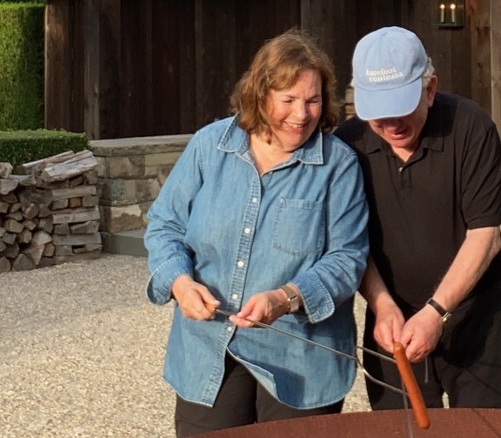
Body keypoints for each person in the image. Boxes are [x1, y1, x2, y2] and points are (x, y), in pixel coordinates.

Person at [144, 29, 369, 437]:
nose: (302, 114)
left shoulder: (339, 166)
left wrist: (285, 298)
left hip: (300, 363)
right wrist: (179, 282)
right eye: (288, 100)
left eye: (313, 100)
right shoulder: (208, 146)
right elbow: (165, 225)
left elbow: (347, 258)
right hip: (207, 350)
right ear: (260, 94)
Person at [334, 26, 501, 410]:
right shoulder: (347, 144)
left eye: (401, 108)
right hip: (393, 324)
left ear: (430, 89)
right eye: (377, 115)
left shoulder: (471, 126)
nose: (390, 126)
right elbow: (351, 241)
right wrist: (382, 303)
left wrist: (436, 311)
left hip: (478, 318)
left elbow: (486, 236)